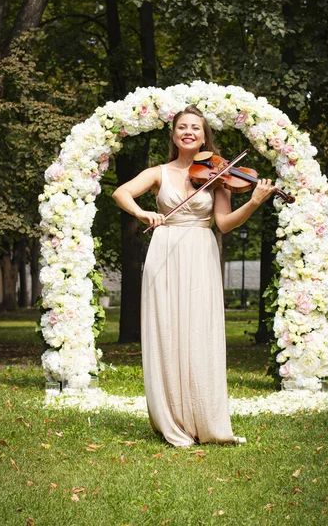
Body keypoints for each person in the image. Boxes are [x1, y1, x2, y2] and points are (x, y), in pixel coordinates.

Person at [112, 105, 277, 448]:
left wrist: (255, 202)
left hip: (201, 251)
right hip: (165, 249)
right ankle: (171, 420)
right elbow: (121, 193)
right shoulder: (158, 172)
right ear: (173, 135)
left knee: (199, 330)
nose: (189, 132)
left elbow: (224, 223)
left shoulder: (220, 173)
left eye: (195, 128)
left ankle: (205, 419)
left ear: (204, 136)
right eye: (182, 127)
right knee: (167, 329)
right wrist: (144, 213)